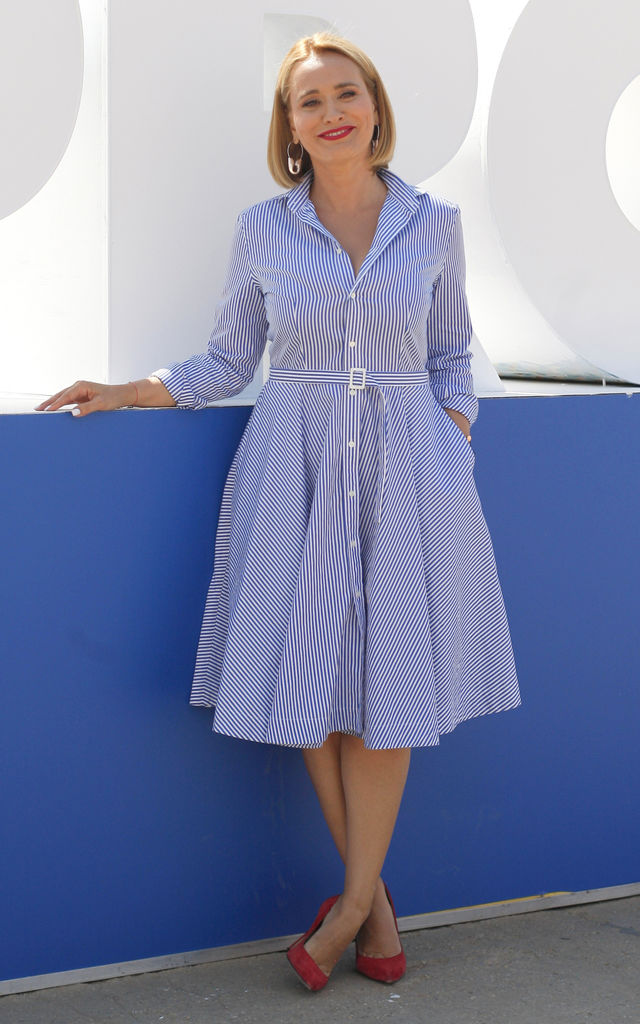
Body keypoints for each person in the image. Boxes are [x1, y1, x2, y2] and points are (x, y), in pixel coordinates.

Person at [37, 33, 521, 991]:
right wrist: (131, 389)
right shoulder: (264, 229)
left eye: (347, 93)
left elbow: (451, 355)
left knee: (389, 697)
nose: (331, 112)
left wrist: (449, 440)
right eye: (310, 101)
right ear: (289, 127)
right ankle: (372, 910)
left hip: (409, 475)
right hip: (292, 468)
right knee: (311, 684)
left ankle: (347, 911)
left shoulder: (435, 223)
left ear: (375, 108)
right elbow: (229, 358)